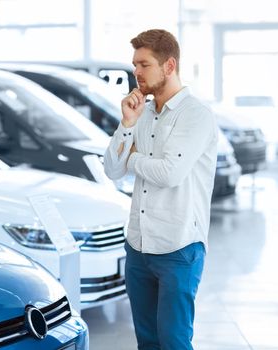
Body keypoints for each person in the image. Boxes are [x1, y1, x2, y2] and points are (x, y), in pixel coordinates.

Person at [103, 29, 218, 350]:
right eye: (134, 64)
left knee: (174, 342)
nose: (136, 72)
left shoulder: (195, 115)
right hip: (138, 246)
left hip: (178, 248)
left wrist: (133, 157)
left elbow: (169, 173)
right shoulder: (142, 112)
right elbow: (113, 169)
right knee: (148, 341)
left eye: (144, 64)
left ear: (169, 66)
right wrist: (127, 124)